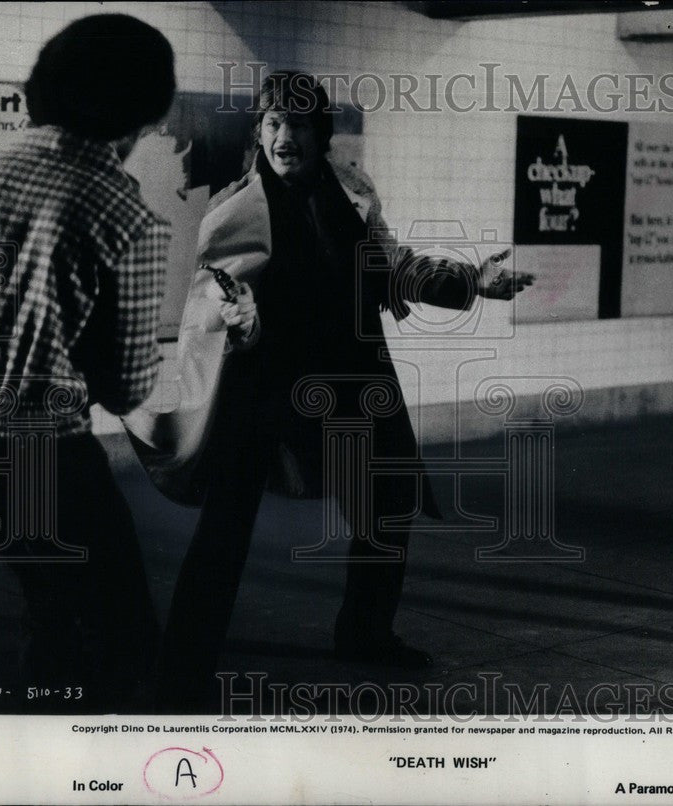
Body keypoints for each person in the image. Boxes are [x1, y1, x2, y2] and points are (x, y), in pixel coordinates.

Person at [156, 72, 533, 708]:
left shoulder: (355, 193)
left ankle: (364, 633)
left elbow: (394, 267)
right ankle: (183, 658)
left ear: (320, 132)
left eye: (298, 124)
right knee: (227, 522)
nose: (284, 136)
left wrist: (472, 282)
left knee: (387, 503)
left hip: (354, 377)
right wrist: (236, 317)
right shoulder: (234, 208)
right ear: (258, 133)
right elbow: (208, 300)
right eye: (272, 123)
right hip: (265, 385)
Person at [0, 14, 196, 710]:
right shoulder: (125, 214)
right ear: (144, 112)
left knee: (46, 602)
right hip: (44, 453)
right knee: (125, 637)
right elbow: (122, 386)